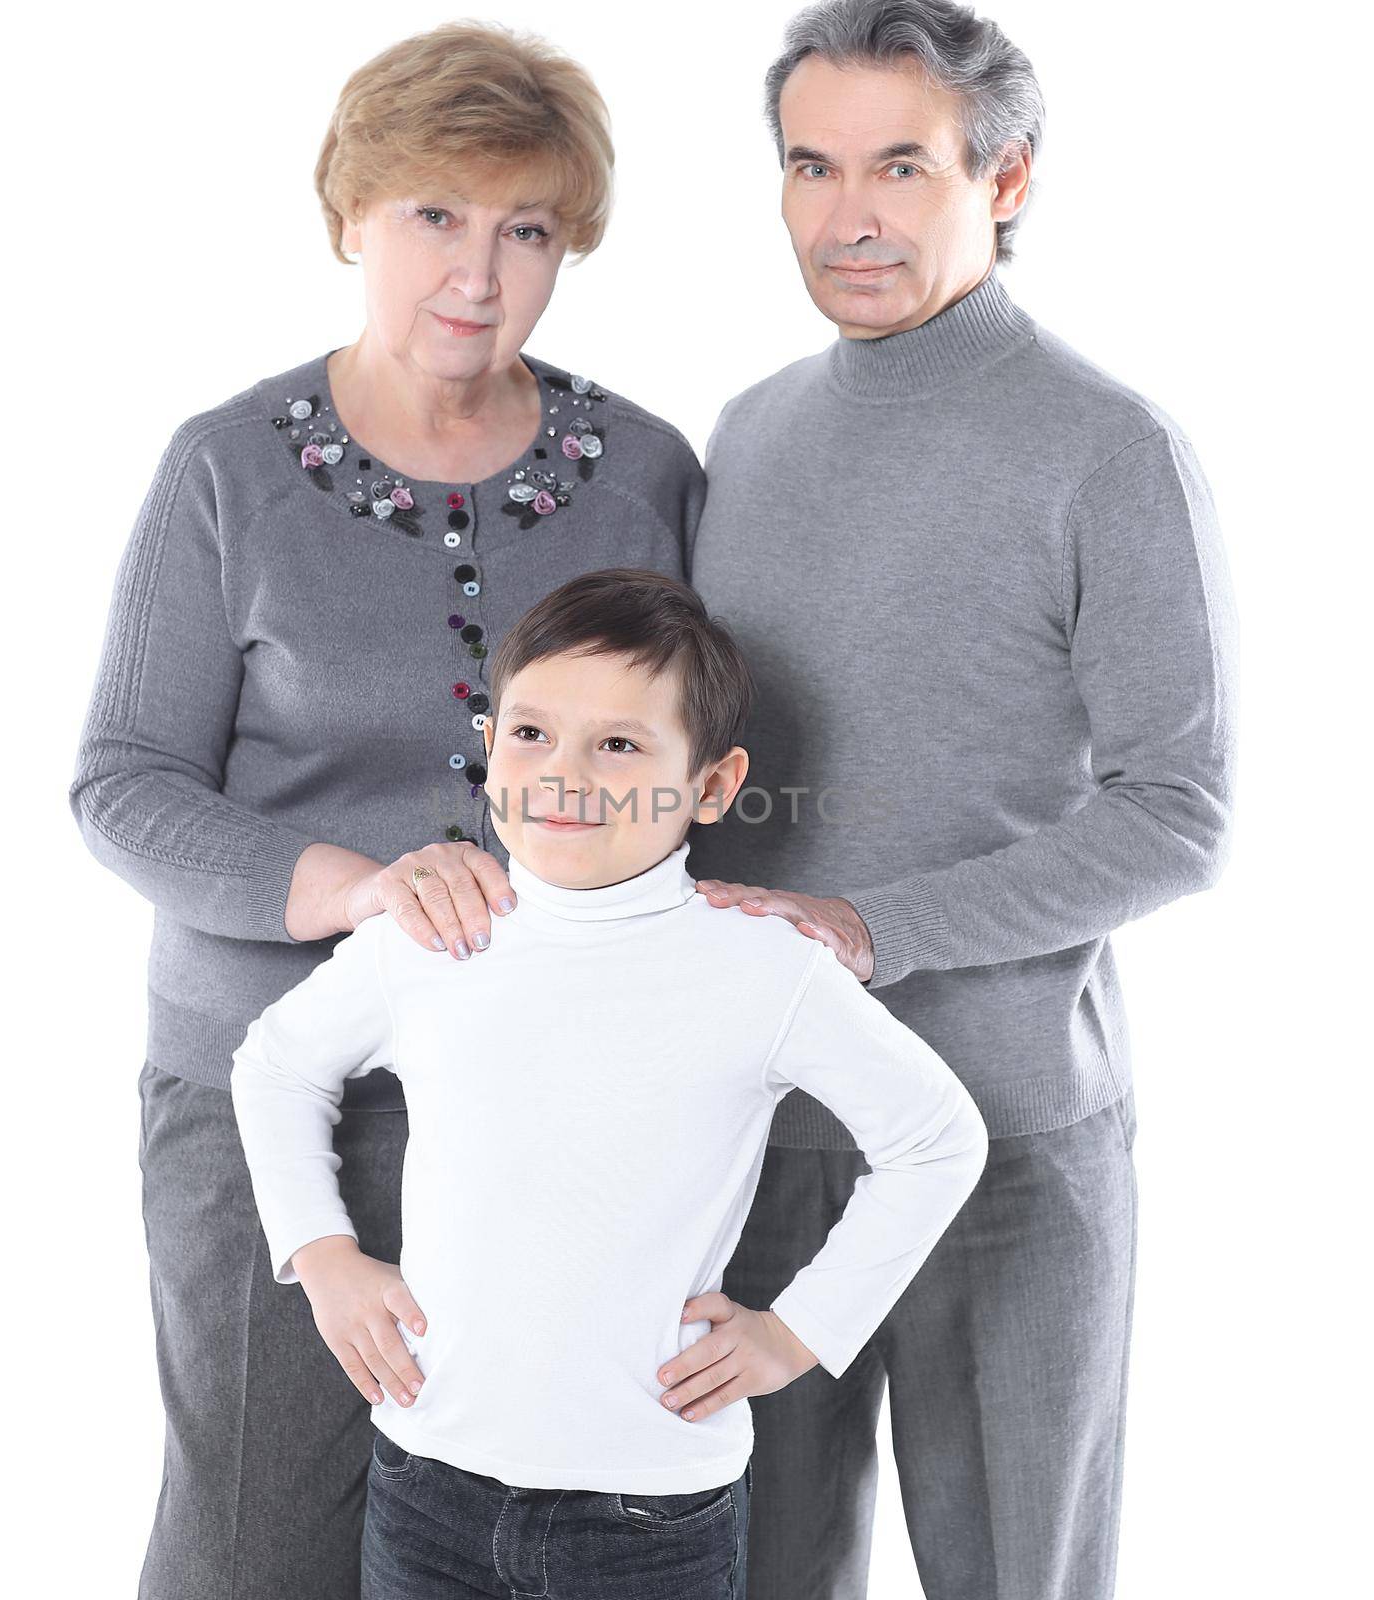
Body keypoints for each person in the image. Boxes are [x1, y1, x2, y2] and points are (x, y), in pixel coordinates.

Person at [403, 3, 1240, 1597]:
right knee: (757, 1571)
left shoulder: (1109, 450)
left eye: (899, 166)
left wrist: (864, 926)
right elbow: (674, 758)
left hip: (1000, 1135)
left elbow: (1179, 812)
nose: (848, 213)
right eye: (810, 164)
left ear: (1002, 181)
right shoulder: (754, 434)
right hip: (753, 1140)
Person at [66, 23, 707, 1599]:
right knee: (255, 1538)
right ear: (349, 214)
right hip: (269, 1099)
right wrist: (354, 888)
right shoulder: (226, 469)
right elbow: (123, 786)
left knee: (526, 1539)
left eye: (527, 230)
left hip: (558, 1109)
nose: (476, 275)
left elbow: (690, 776)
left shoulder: (642, 471)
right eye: (434, 214)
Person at [228, 568, 990, 1600]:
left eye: (620, 745)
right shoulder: (431, 933)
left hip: (650, 1514)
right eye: (532, 735)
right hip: (427, 1487)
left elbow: (936, 1137)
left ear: (713, 786)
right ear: (489, 748)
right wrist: (320, 1253)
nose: (564, 776)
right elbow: (276, 1064)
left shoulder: (762, 965)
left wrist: (801, 1331)